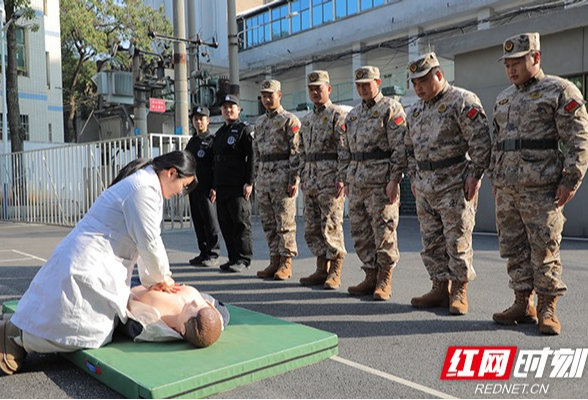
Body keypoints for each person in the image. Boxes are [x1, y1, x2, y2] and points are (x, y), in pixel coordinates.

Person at [0, 151, 197, 375]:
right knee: (85, 329)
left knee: (68, 315)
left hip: (91, 258)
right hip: (89, 261)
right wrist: (162, 278)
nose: (181, 191)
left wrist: (156, 279)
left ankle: (16, 330)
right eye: (184, 185)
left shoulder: (146, 184)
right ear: (172, 173)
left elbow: (145, 242)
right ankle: (14, 336)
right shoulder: (145, 189)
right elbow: (150, 242)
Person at [490, 33, 588, 335]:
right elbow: (497, 142)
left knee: (544, 248)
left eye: (518, 62)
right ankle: (523, 301)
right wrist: (495, 175)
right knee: (514, 249)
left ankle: (547, 307)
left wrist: (571, 178)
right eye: (508, 64)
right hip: (508, 189)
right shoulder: (504, 97)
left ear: (536, 58)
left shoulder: (559, 90)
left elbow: (578, 137)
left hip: (542, 188)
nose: (512, 69)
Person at [405, 53, 491, 316]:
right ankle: (439, 287)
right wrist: (413, 177)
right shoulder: (415, 110)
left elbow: (481, 142)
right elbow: (409, 148)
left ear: (439, 75)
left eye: (423, 80)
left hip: (454, 183)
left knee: (457, 240)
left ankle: (459, 291)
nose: (418, 87)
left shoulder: (462, 101)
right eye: (414, 82)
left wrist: (475, 175)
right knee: (431, 241)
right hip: (426, 186)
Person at [341, 66, 407, 301]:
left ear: (378, 82)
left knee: (384, 231)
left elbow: (400, 148)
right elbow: (345, 150)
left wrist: (394, 179)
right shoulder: (353, 115)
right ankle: (370, 274)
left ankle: (384, 278)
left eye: (367, 84)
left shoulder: (390, 108)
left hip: (381, 183)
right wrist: (346, 180)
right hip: (357, 182)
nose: (362, 89)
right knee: (360, 232)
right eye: (358, 85)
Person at [298, 70, 348, 289]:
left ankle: (335, 270)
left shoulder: (337, 115)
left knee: (331, 225)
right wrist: (301, 174)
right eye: (311, 89)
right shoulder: (306, 120)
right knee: (312, 227)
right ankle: (321, 268)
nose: (315, 92)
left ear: (329, 89)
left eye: (319, 88)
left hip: (330, 179)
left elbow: (344, 148)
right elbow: (301, 151)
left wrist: (342, 177)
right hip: (310, 179)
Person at [254, 80, 301, 281]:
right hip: (264, 178)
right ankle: (274, 259)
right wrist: (256, 177)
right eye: (263, 96)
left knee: (285, 222)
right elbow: (256, 152)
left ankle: (286, 263)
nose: (266, 99)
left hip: (283, 177)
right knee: (268, 223)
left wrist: (294, 179)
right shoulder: (260, 122)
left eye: (270, 95)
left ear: (279, 95)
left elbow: (296, 152)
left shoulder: (290, 120)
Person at [211, 94, 254, 273]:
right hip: (222, 186)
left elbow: (252, 156)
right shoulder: (220, 133)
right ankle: (232, 257)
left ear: (239, 109)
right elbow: (215, 162)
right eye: (225, 107)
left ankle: (243, 259)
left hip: (238, 186)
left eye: (232, 107)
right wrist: (214, 186)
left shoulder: (245, 129)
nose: (228, 110)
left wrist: (249, 182)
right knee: (226, 224)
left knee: (240, 223)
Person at [125, 284, 226, 348]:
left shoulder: (157, 308)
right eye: (202, 304)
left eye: (194, 308)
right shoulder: (217, 313)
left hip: (137, 283)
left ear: (182, 328)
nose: (195, 302)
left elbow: (131, 294)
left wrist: (151, 284)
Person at [185, 106, 221, 268]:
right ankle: (203, 251)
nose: (198, 121)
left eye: (201, 118)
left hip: (207, 188)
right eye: (195, 119)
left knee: (210, 221)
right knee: (198, 220)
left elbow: (217, 165)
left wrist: (215, 186)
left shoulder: (212, 141)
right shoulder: (192, 142)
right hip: (194, 187)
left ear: (208, 120)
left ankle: (213, 253)